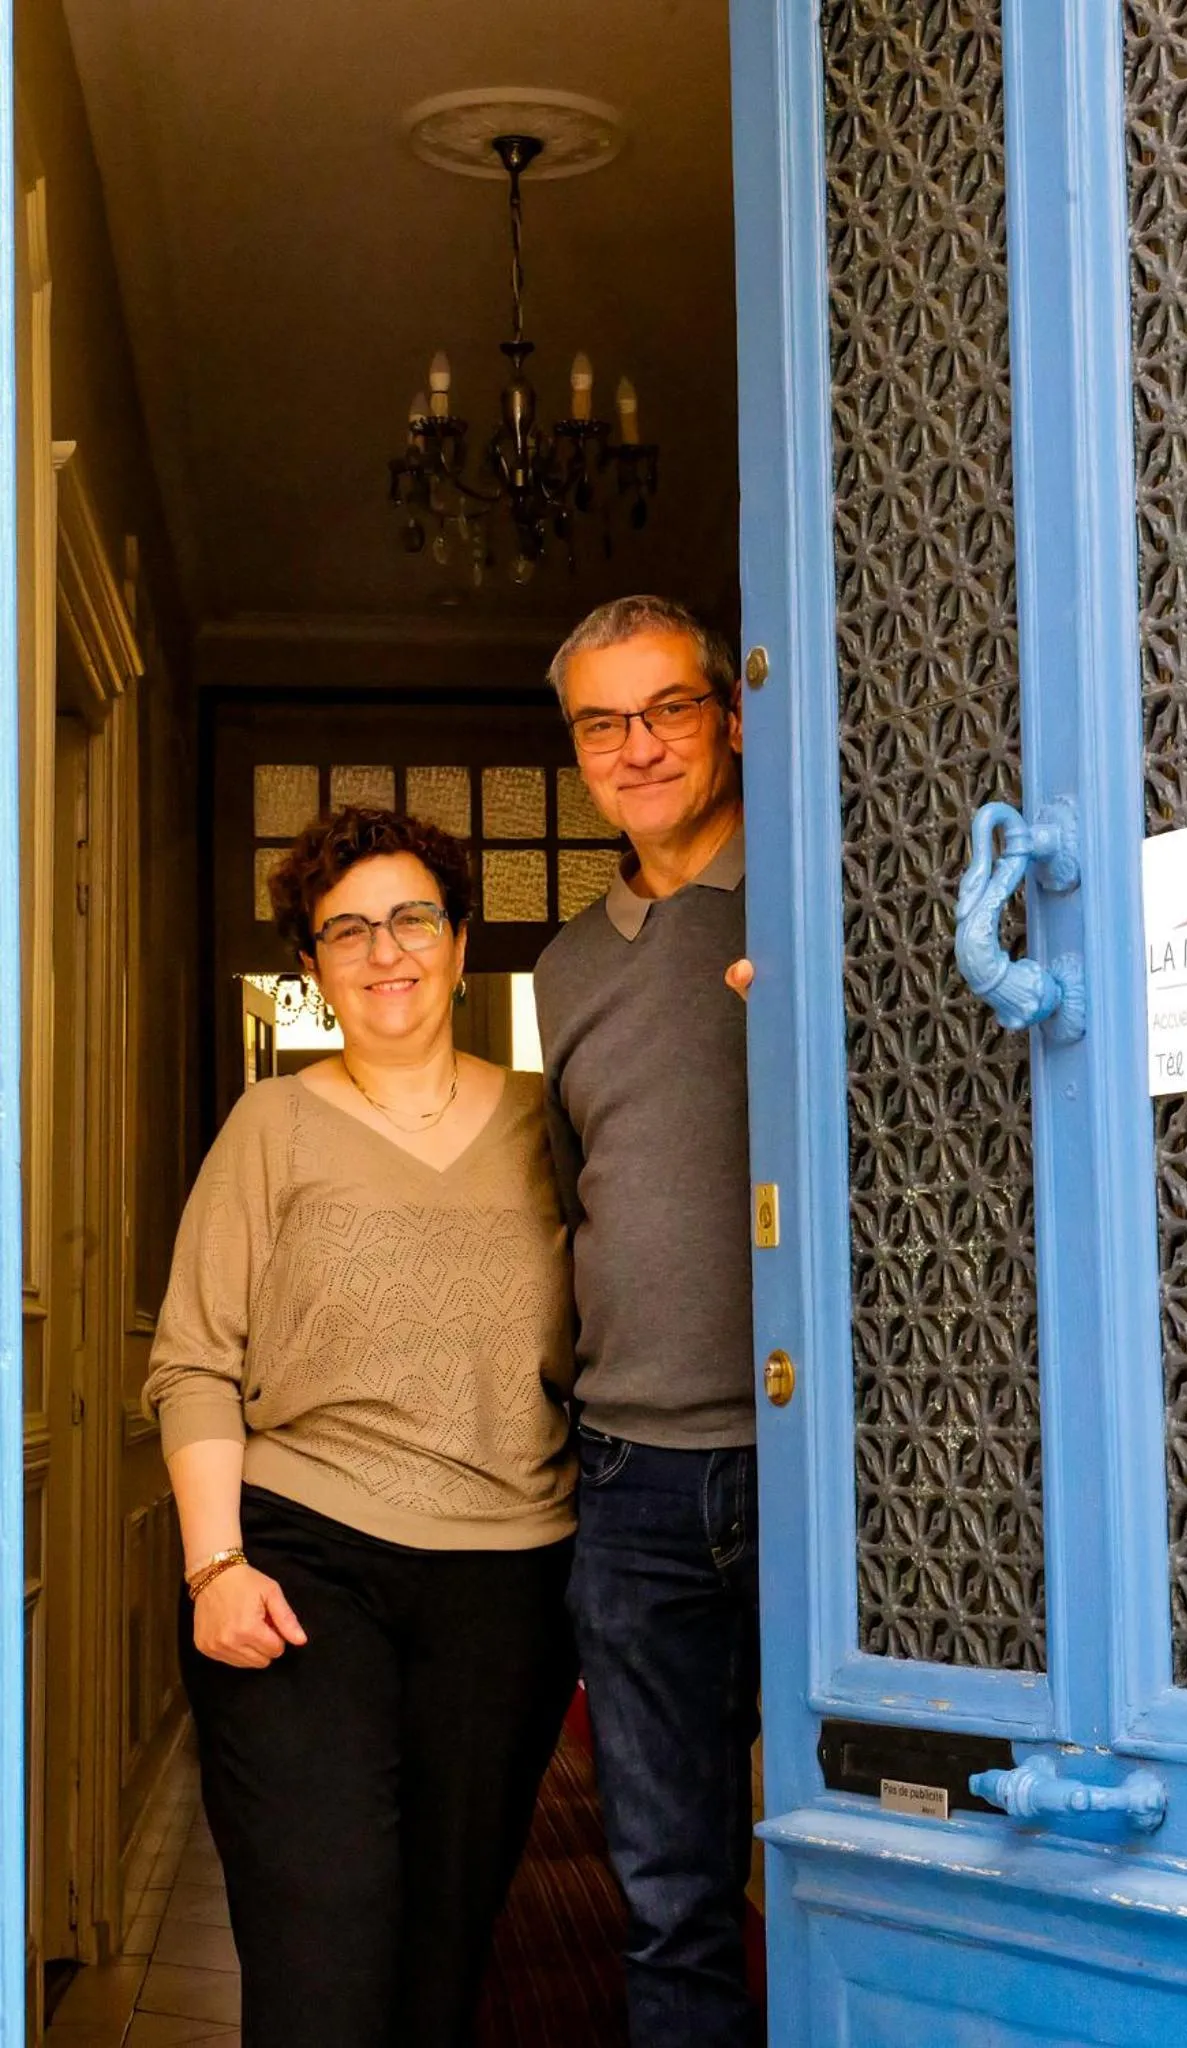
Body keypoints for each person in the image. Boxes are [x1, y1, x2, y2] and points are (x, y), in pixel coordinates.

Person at [144, 807, 577, 2048]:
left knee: (443, 1962)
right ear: (314, 965)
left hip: (508, 1581)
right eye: (348, 929)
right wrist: (214, 1564)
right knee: (321, 1947)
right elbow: (193, 1359)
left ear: (456, 942)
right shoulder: (270, 1128)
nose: (385, 950)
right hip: (301, 1568)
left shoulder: (549, 1121)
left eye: (411, 919)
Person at [534, 595, 758, 2046]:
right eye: (603, 723)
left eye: (668, 707)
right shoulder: (564, 969)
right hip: (632, 1483)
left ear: (730, 716)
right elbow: (573, 1201)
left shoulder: (825, 893)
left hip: (835, 1458)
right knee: (670, 1893)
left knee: (859, 1855)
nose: (640, 746)